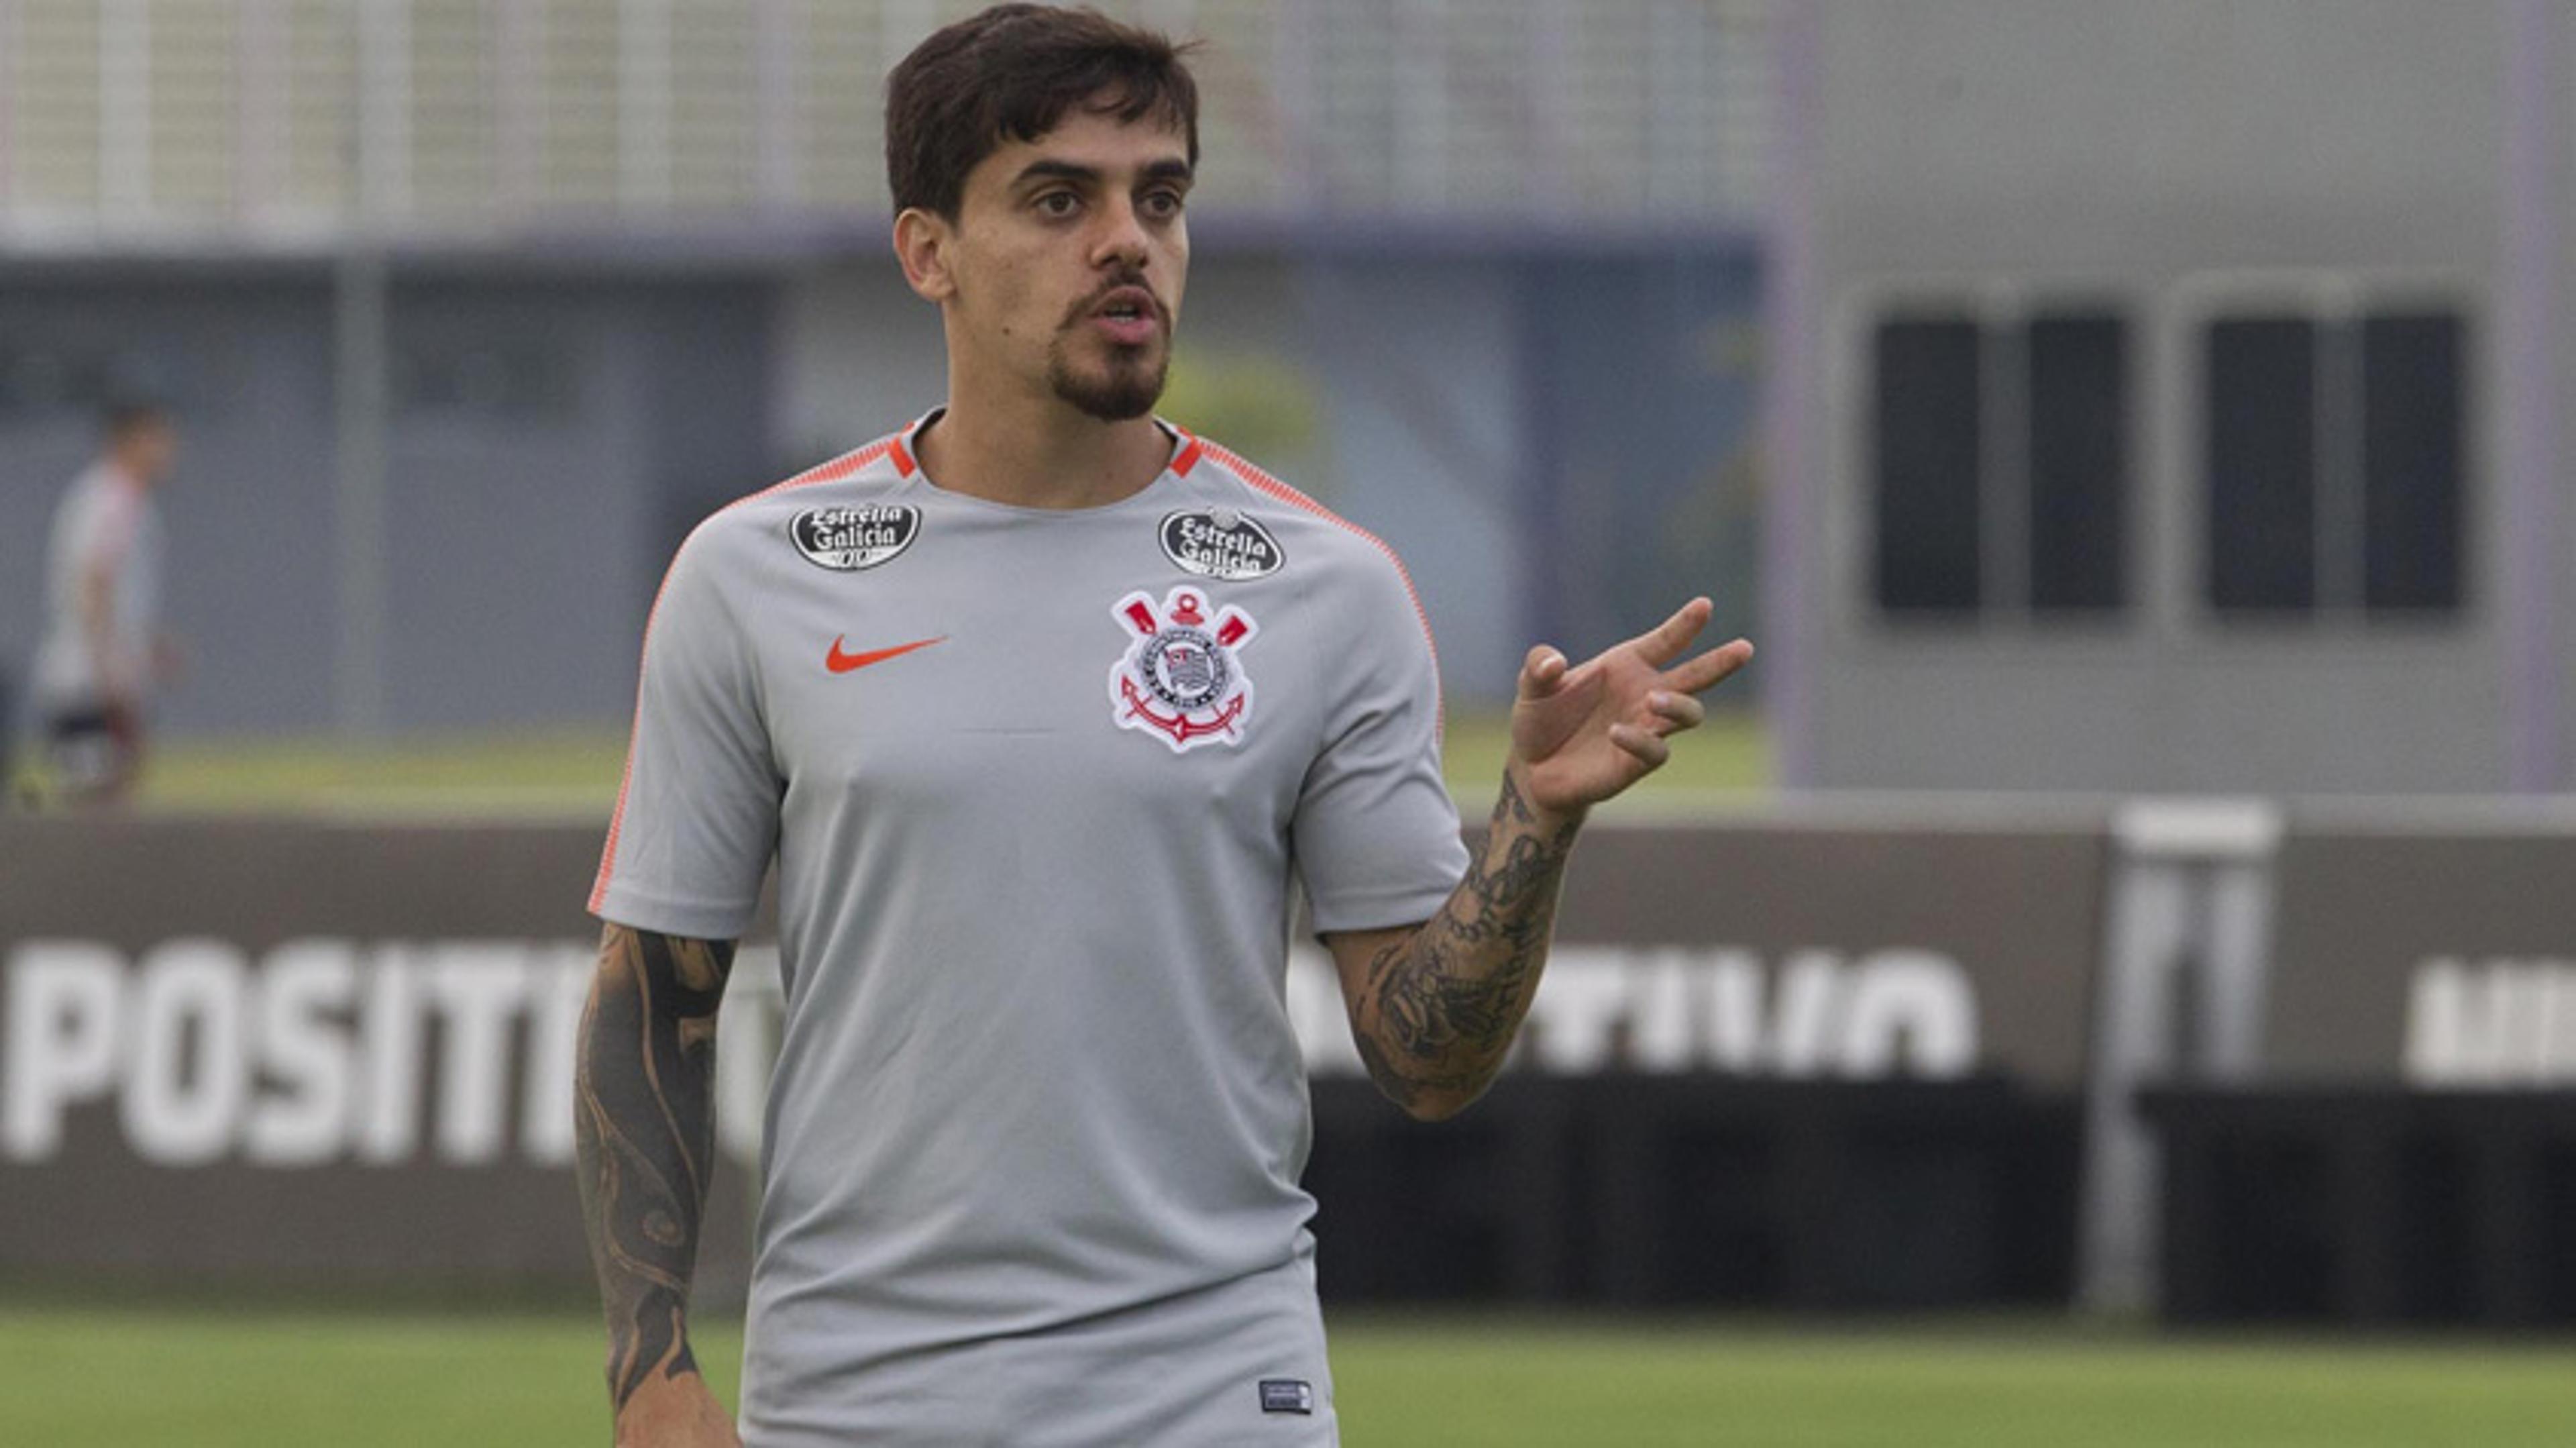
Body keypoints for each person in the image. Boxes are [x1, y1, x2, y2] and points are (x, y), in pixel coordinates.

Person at [574, 7, 1752, 1445]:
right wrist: (649, 1365)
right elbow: (653, 996)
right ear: (926, 250)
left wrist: (1535, 824)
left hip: (1213, 1391)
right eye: (1059, 199)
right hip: (851, 1395)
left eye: (1162, 197)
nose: (1127, 240)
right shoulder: (754, 574)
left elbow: (1427, 1062)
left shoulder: (1331, 586)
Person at [31, 400, 179, 805]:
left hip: (96, 670)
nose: (169, 449)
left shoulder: (117, 499)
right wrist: (110, 668)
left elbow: (119, 593)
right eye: (159, 437)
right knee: (97, 807)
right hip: (90, 678)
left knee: (109, 801)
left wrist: (149, 646)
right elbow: (95, 582)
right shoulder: (112, 499)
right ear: (128, 441)